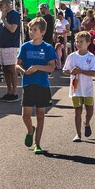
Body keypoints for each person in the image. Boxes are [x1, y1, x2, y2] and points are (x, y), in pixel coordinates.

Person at [16, 17, 57, 155]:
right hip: (28, 84)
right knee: (25, 115)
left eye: (34, 30)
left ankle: (37, 143)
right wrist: (23, 71)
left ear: (42, 32)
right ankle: (30, 130)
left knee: (40, 114)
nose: (31, 33)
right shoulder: (25, 46)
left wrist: (37, 67)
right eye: (30, 30)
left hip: (42, 85)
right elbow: (18, 63)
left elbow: (52, 67)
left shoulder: (47, 48)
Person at [63, 31, 95, 142]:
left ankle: (87, 123)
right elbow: (65, 70)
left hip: (87, 89)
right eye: (77, 41)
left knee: (90, 111)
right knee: (77, 111)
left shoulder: (91, 57)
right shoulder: (72, 56)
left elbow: (94, 72)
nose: (78, 44)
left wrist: (81, 71)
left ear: (88, 43)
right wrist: (71, 72)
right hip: (76, 89)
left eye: (81, 42)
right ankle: (78, 134)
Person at [0, 0, 21, 102]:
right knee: (5, 68)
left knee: (11, 68)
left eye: (0, 5)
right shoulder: (4, 15)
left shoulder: (14, 15)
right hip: (3, 45)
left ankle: (15, 92)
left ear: (6, 5)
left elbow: (12, 29)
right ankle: (9, 91)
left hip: (11, 45)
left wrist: (3, 19)